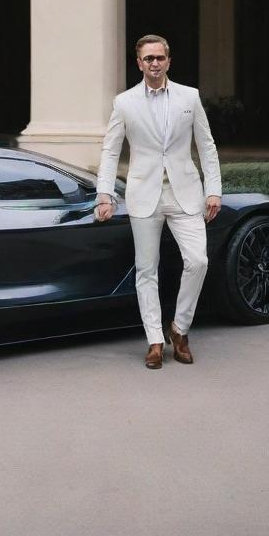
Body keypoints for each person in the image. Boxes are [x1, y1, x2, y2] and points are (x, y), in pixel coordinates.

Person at [94, 35, 222, 369]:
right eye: (148, 58)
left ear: (168, 60)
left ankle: (179, 329)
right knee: (146, 270)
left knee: (198, 261)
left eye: (160, 58)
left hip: (185, 194)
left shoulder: (189, 97)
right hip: (143, 195)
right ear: (139, 63)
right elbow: (110, 150)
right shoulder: (124, 102)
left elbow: (206, 146)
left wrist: (214, 190)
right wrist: (104, 193)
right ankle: (154, 339)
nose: (154, 63)